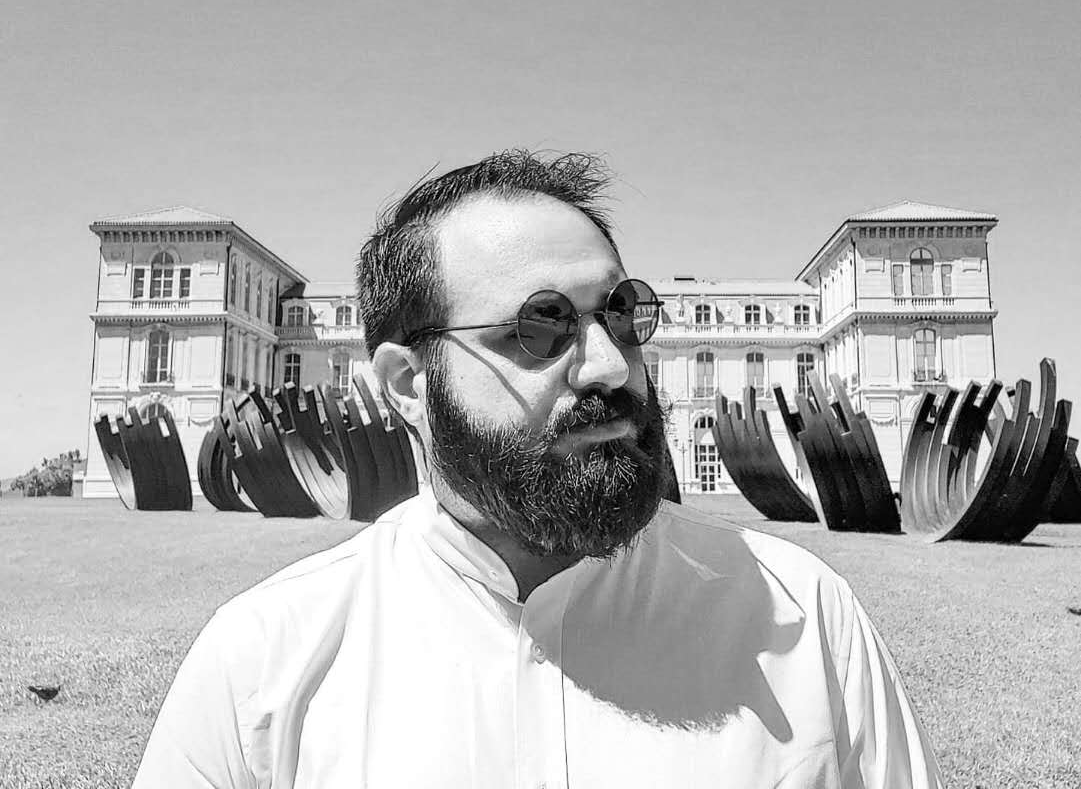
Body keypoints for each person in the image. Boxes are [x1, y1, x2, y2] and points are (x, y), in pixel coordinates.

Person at [133, 150, 943, 788]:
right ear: (408, 384)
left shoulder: (803, 617)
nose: (609, 367)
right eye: (537, 327)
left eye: (620, 315)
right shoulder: (263, 661)